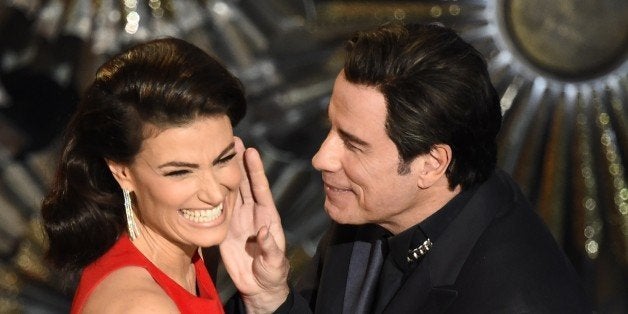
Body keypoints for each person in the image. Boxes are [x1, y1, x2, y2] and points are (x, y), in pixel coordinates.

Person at [231, 22, 592, 313]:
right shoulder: (369, 208)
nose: (322, 158)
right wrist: (269, 301)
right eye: (332, 129)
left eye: (354, 144)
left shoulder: (512, 298)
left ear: (432, 164)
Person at [41, 37, 288, 314]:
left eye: (223, 159)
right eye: (180, 172)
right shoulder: (144, 307)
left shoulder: (191, 251)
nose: (214, 193)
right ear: (122, 172)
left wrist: (265, 298)